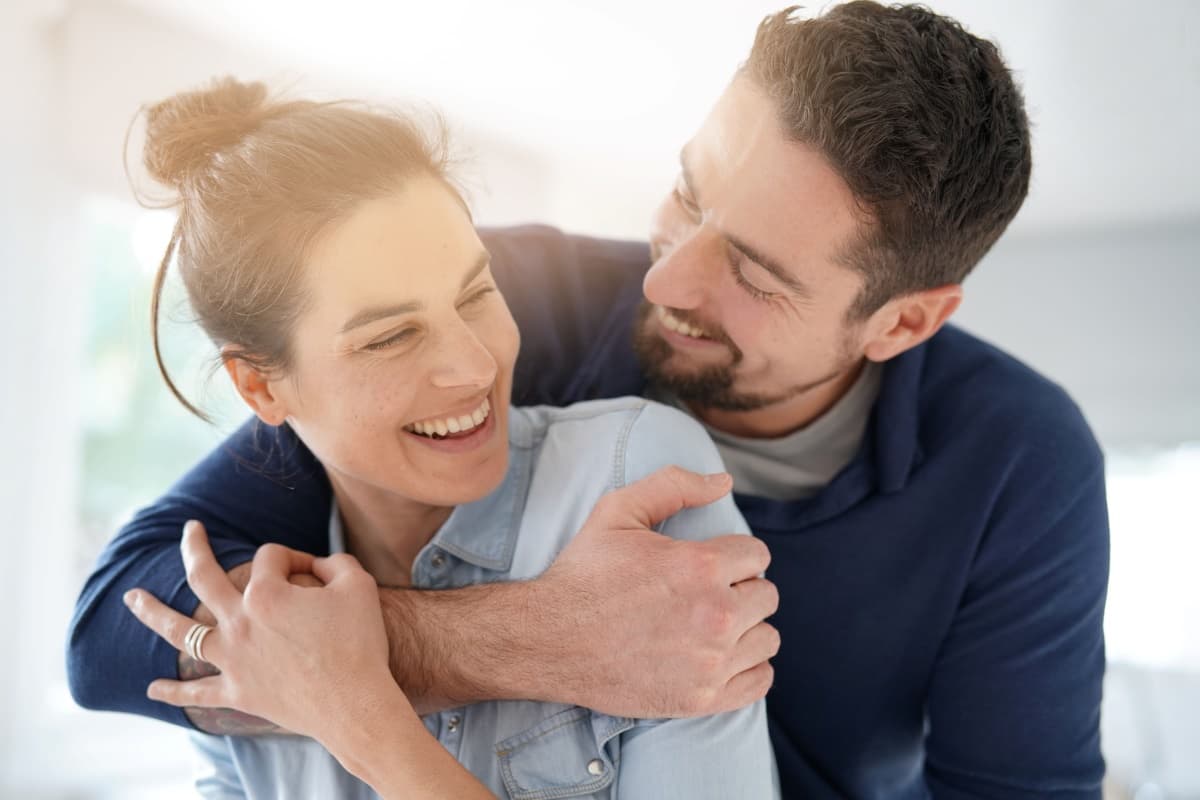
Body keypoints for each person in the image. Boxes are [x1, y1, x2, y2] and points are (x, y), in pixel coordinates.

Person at [68, 3, 1110, 798]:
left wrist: (360, 676)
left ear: (902, 323)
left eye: (752, 270)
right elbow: (119, 624)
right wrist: (532, 637)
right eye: (690, 192)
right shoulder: (497, 306)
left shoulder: (1020, 460)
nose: (663, 282)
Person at [100, 78, 780, 798]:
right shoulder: (250, 616)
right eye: (391, 336)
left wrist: (362, 721)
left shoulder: (631, 477)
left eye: (476, 294)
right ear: (262, 388)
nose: (477, 366)